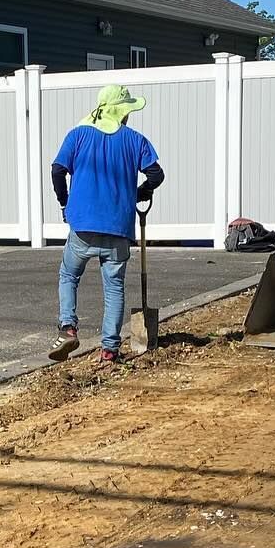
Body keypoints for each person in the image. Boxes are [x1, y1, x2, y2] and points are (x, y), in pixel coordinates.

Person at [47, 84, 164, 364]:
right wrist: (139, 192)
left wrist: (65, 202)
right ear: (122, 112)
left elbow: (57, 170)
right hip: (118, 227)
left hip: (82, 225)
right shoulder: (135, 140)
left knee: (69, 276)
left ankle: (68, 328)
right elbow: (156, 175)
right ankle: (110, 349)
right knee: (113, 287)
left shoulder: (77, 136)